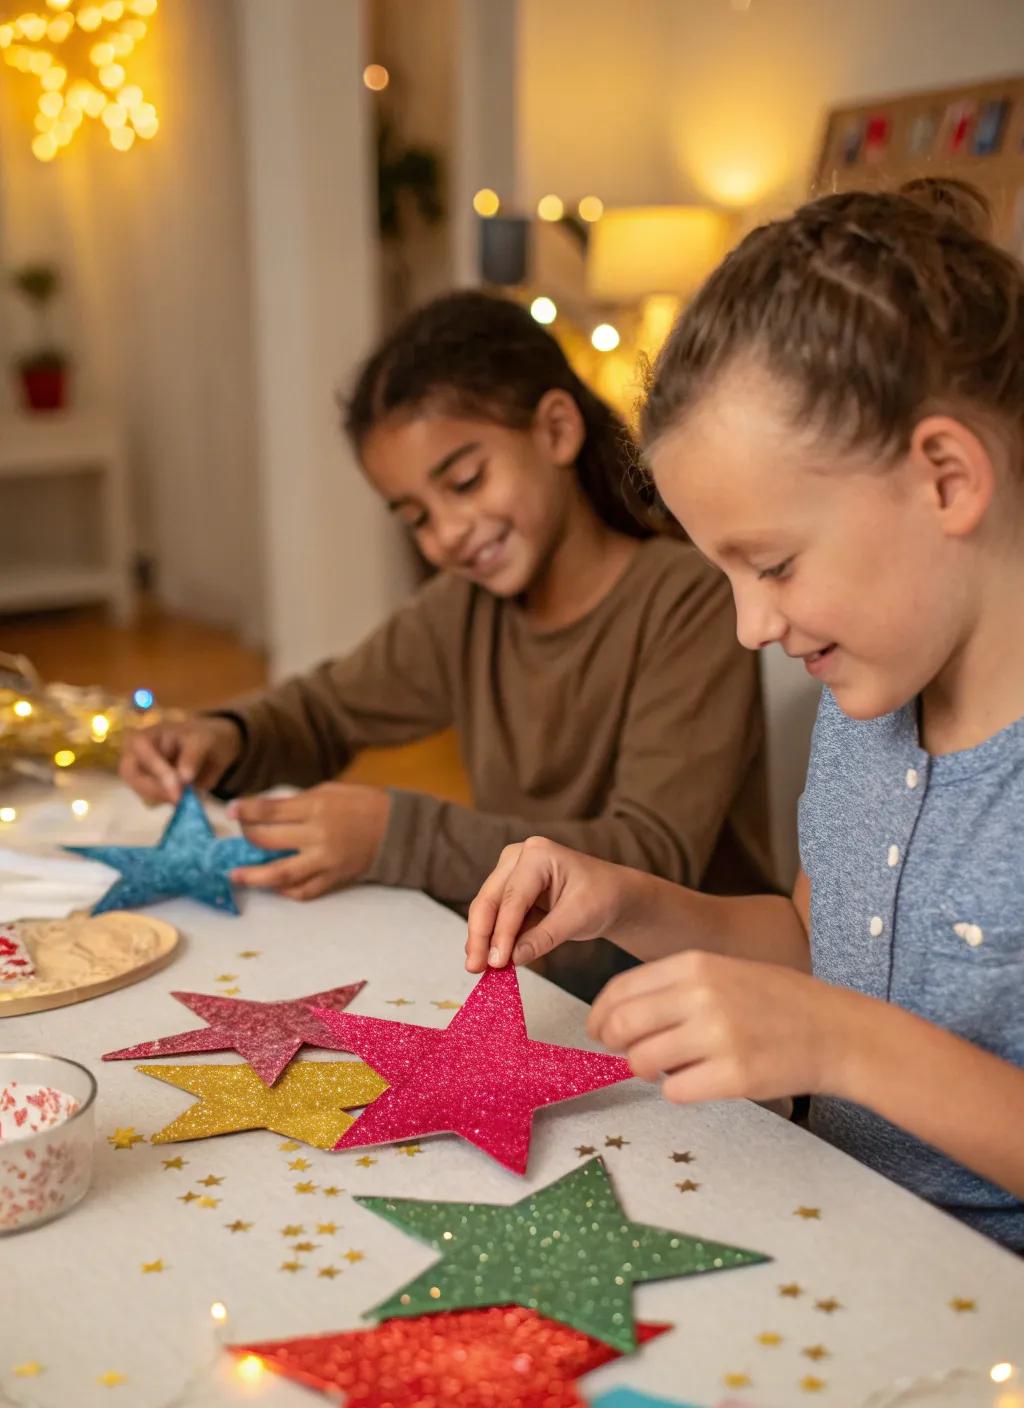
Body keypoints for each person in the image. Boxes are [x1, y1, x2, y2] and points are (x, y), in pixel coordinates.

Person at [466, 182, 1024, 1246]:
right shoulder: (869, 699)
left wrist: (844, 1045)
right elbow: (821, 949)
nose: (747, 626)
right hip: (827, 1233)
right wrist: (627, 901)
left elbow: (836, 1018)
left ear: (946, 478)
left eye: (770, 564)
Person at [120, 290, 773, 1000]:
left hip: (680, 995)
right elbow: (326, 711)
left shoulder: (689, 598)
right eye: (414, 516)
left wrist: (398, 836)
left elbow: (652, 854)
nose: (446, 534)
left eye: (464, 482)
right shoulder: (465, 608)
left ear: (556, 430)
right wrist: (226, 735)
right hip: (531, 980)